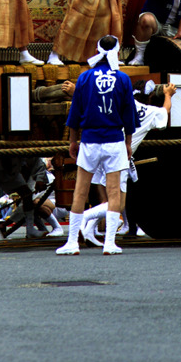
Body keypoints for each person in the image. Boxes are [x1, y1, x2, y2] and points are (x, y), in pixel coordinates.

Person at [56, 35, 136, 255]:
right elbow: (128, 115)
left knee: (80, 192)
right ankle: (109, 243)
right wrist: (128, 143)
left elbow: (75, 113)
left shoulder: (84, 78)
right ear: (117, 52)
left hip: (90, 141)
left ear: (96, 49)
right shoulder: (123, 79)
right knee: (114, 193)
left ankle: (72, 243)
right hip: (114, 141)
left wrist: (73, 141)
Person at [80, 81, 177, 245]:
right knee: (117, 205)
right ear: (149, 97)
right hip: (117, 160)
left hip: (101, 152)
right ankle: (84, 217)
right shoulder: (147, 111)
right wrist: (168, 95)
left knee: (109, 201)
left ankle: (89, 230)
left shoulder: (116, 102)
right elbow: (165, 111)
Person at [0, 153, 48, 241]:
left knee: (27, 193)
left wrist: (40, 178)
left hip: (11, 168)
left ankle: (30, 230)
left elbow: (36, 159)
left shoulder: (21, 146)